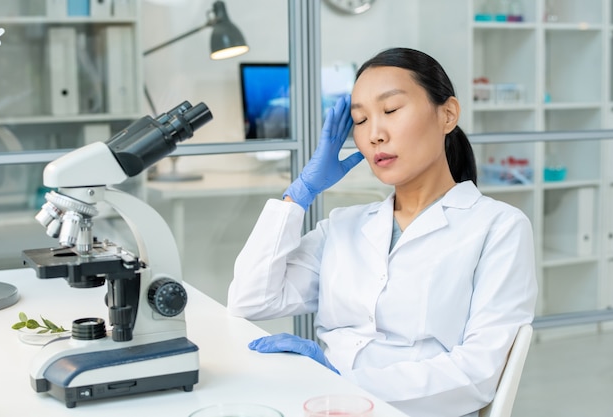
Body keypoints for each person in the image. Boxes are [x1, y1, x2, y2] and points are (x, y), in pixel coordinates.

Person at [227, 47, 537, 417]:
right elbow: (250, 299)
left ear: (448, 114)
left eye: (390, 111)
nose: (374, 134)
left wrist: (342, 379)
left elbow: (480, 373)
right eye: (359, 120)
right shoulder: (344, 226)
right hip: (321, 404)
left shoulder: (498, 228)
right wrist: (300, 194)